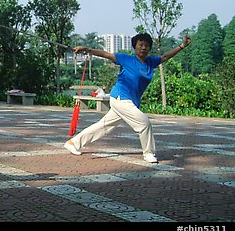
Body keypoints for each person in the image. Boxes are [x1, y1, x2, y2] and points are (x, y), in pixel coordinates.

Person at [64, 33, 192, 164]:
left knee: (104, 126)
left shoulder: (150, 63)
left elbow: (165, 57)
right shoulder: (126, 59)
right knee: (144, 123)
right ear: (134, 47)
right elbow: (106, 54)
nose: (143, 48)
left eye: (146, 45)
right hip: (120, 98)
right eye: (140, 45)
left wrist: (182, 46)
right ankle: (148, 153)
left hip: (130, 101)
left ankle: (73, 143)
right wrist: (87, 50)